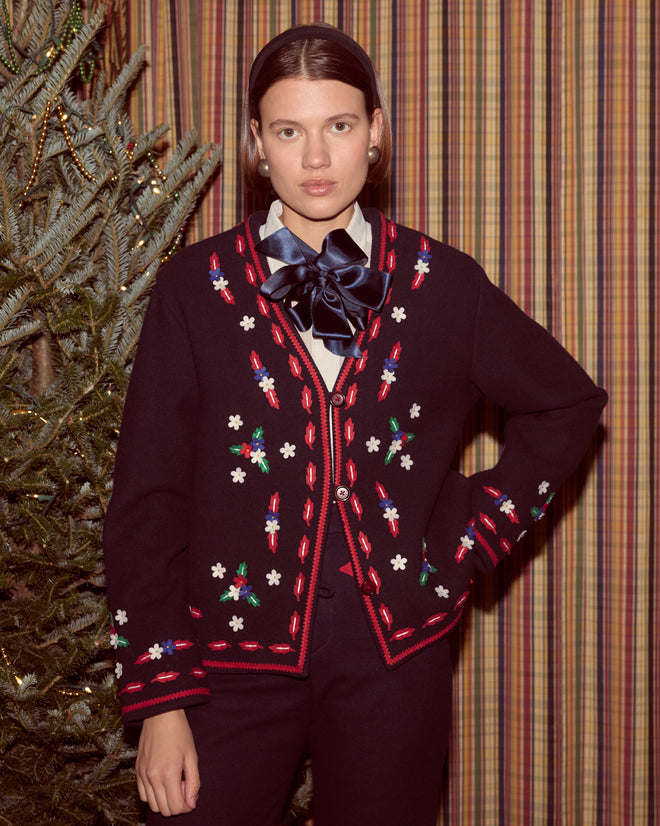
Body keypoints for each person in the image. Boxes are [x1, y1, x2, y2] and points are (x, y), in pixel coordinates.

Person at [103, 23, 607, 826]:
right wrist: (161, 701)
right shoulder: (194, 291)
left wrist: (471, 532)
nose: (314, 160)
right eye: (288, 131)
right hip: (227, 663)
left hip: (395, 659)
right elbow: (147, 503)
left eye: (338, 127)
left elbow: (568, 402)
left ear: (376, 133)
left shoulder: (444, 286)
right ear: (256, 146)